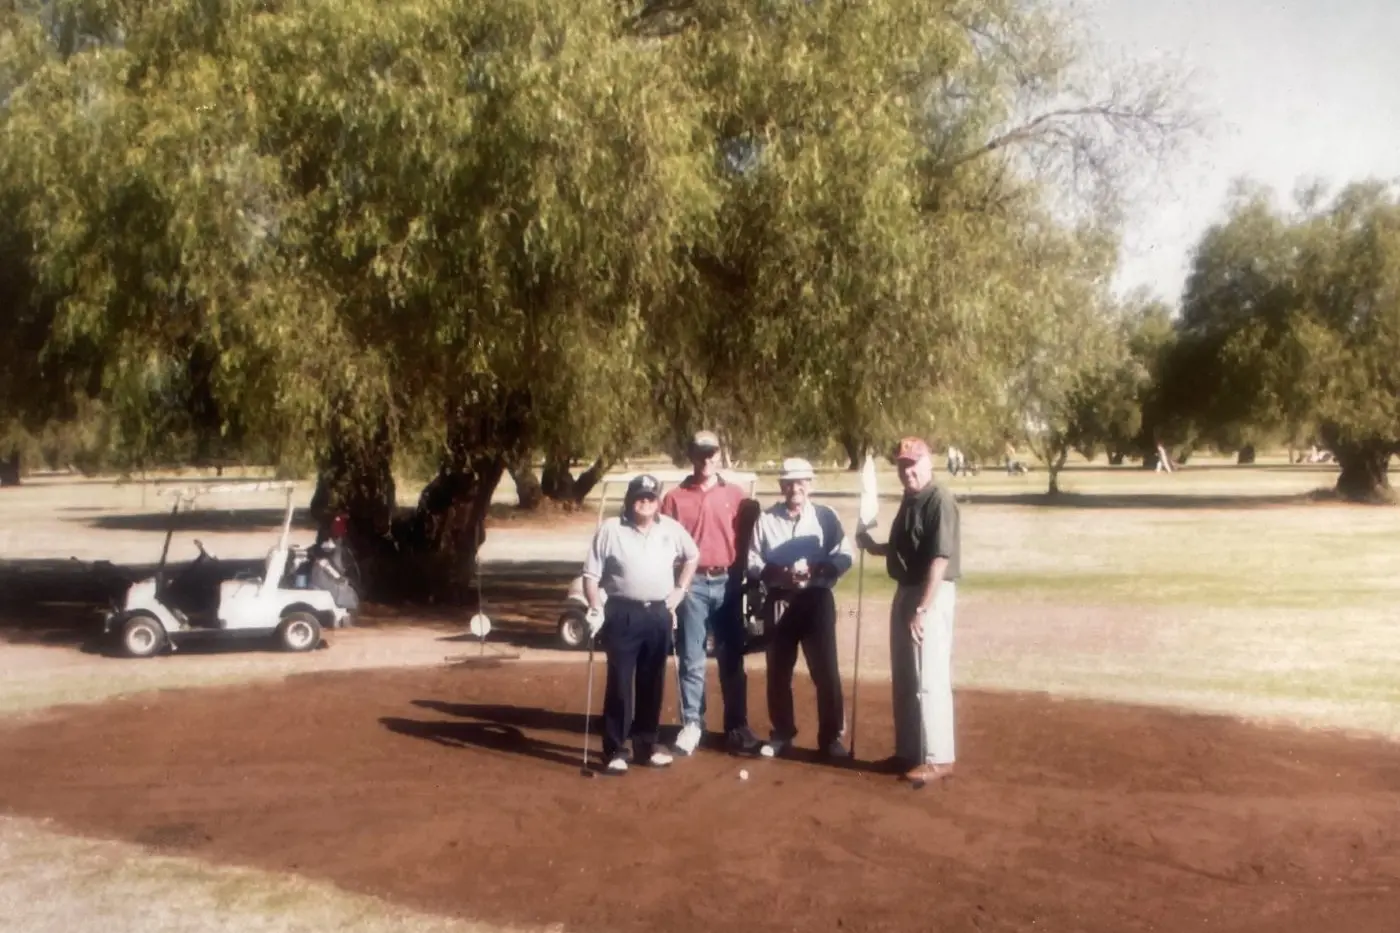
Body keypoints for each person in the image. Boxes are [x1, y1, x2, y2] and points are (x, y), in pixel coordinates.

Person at [855, 436, 961, 785]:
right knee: (905, 676)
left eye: (913, 463)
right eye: (902, 465)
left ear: (928, 462)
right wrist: (874, 548)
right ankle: (909, 751)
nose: (907, 471)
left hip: (929, 594)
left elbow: (939, 559)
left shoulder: (938, 500)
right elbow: (907, 547)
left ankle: (938, 757)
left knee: (928, 678)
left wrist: (922, 609)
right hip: (907, 590)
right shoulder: (910, 499)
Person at [581, 474, 699, 775]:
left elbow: (692, 556)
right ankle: (616, 749)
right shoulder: (611, 529)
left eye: (650, 497)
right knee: (621, 683)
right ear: (629, 500)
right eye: (639, 497)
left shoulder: (670, 528)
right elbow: (591, 576)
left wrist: (680, 590)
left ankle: (646, 745)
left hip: (658, 613)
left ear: (658, 501)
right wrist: (595, 607)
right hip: (622, 613)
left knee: (652, 682)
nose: (645, 502)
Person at [660, 430, 764, 756]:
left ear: (720, 454)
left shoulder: (736, 494)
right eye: (701, 453)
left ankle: (737, 726)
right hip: (691, 586)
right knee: (691, 659)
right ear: (691, 454)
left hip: (729, 584)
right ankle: (692, 724)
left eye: (712, 453)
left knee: (731, 660)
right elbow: (665, 547)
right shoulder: (674, 497)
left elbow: (748, 541)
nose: (707, 459)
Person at [747, 457, 854, 759]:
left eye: (801, 482)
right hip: (780, 599)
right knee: (779, 671)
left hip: (816, 599)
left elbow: (846, 554)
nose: (795, 488)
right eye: (789, 482)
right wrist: (778, 574)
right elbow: (753, 562)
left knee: (826, 671)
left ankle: (831, 738)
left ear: (810, 484)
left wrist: (824, 568)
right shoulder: (767, 519)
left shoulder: (825, 516)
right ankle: (782, 732)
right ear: (781, 486)